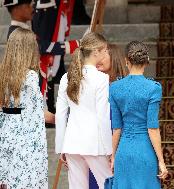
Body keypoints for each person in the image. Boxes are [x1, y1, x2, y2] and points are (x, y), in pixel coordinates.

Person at [55, 32, 112, 189]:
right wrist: (109, 149)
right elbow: (103, 116)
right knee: (107, 184)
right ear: (95, 52)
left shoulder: (66, 77)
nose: (107, 53)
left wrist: (61, 147)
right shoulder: (101, 78)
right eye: (105, 50)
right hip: (95, 143)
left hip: (71, 142)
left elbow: (60, 115)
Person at [110, 41, 168, 189]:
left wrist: (112, 156)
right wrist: (161, 160)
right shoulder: (153, 88)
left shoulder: (115, 88)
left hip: (124, 151)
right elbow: (152, 128)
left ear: (126, 61)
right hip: (145, 150)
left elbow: (117, 128)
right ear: (147, 62)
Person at [0, 28, 48, 189]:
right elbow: (35, 113)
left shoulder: (2, 74)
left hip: (5, 133)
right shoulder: (30, 77)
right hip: (24, 138)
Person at [89, 43, 128, 189]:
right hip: (95, 147)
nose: (98, 58)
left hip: (117, 145)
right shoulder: (94, 85)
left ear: (115, 58)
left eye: (103, 54)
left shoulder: (122, 86)